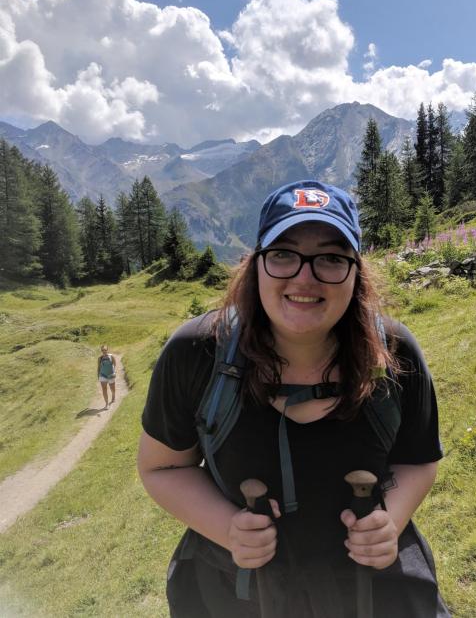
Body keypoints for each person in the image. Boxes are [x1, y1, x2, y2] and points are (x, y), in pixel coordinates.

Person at [138, 180, 449, 617]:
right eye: (282, 254)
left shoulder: (394, 353)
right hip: (239, 596)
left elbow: (419, 459)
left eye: (330, 257)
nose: (305, 277)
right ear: (255, 266)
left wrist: (390, 522)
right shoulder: (196, 353)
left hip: (373, 594)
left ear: (355, 271)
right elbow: (162, 466)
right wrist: (227, 529)